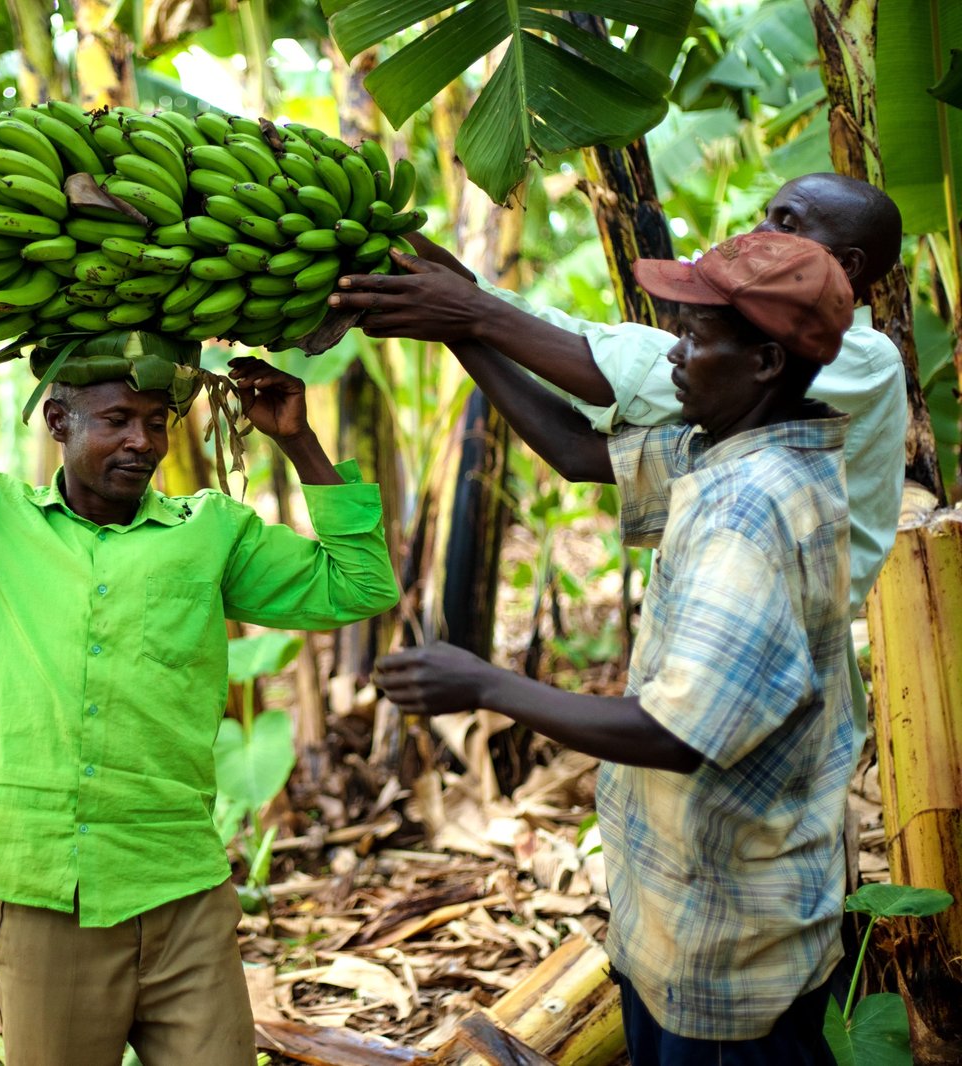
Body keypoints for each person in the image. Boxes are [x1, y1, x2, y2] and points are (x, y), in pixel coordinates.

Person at [0, 349, 399, 1066]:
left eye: (157, 423)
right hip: (46, 894)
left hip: (180, 887)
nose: (142, 442)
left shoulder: (211, 532)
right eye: (117, 420)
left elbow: (359, 585)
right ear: (58, 420)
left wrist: (297, 439)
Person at [373, 232, 857, 1062]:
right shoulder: (737, 447)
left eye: (698, 338)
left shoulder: (751, 508)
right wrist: (460, 325)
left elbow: (672, 734)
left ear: (768, 362)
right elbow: (573, 451)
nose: (675, 355)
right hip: (682, 916)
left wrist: (485, 685)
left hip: (725, 951)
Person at [329, 173, 905, 745]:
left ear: (847, 266)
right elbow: (576, 450)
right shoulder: (721, 449)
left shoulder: (857, 366)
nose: (760, 231)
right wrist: (457, 312)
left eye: (788, 223)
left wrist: (487, 686)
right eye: (767, 212)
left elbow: (625, 376)